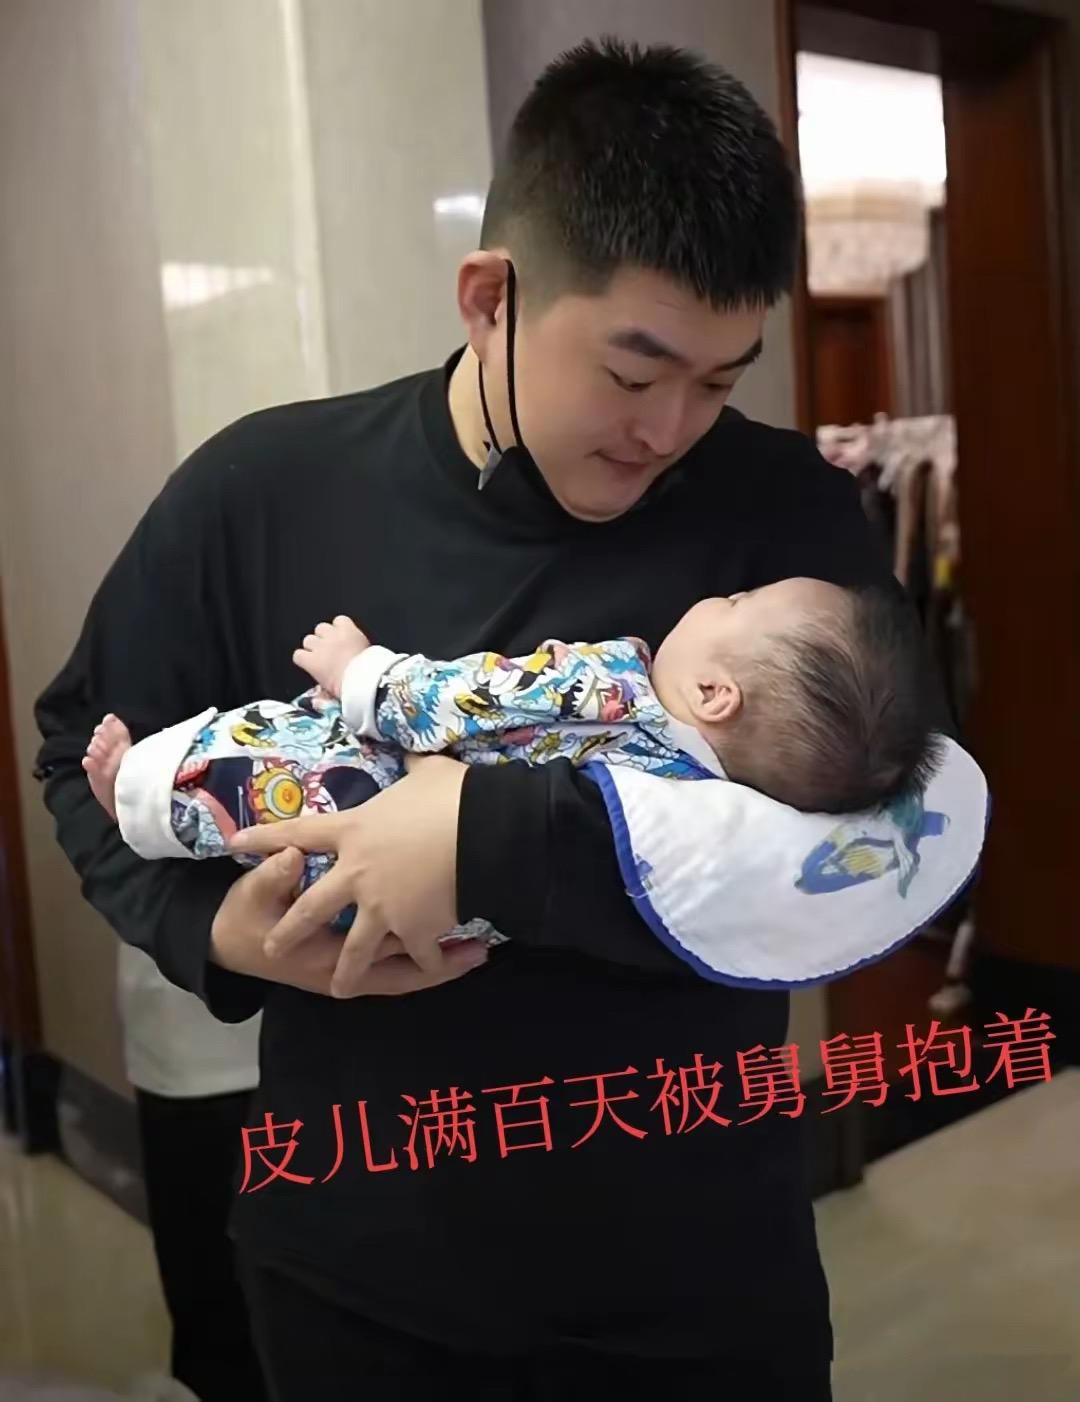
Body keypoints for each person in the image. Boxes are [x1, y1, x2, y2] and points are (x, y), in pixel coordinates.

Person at [34, 38, 966, 1400]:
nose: (671, 430)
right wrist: (220, 933)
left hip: (704, 1272)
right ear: (490, 298)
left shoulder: (788, 535)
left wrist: (484, 839)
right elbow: (77, 755)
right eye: (634, 372)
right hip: (367, 1271)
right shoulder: (264, 490)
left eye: (720, 381)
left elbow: (895, 842)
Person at [81, 581, 942, 947]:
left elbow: (473, 696)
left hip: (374, 792)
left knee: (280, 759)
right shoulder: (694, 810)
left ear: (716, 693)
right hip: (437, 921)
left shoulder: (613, 686)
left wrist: (364, 672)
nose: (720, 594)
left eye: (739, 601)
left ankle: (143, 796)